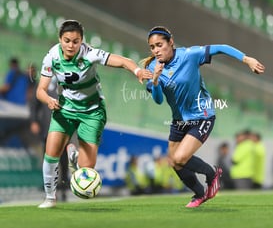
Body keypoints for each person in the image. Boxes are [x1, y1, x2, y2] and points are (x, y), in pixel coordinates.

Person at [143, 26, 265, 208]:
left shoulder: (189, 55)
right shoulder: (152, 67)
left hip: (202, 115)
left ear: (171, 42)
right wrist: (155, 81)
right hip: (179, 120)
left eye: (159, 45)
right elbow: (158, 100)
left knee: (180, 158)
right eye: (152, 47)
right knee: (174, 162)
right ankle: (200, 194)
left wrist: (246, 59)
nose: (156, 50)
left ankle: (212, 174)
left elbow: (221, 47)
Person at [36, 19, 153, 208]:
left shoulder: (90, 54)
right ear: (60, 39)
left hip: (92, 111)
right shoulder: (51, 56)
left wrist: (137, 71)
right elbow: (40, 90)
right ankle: (50, 198)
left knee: (87, 170)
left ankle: (75, 159)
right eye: (67, 40)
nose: (71, 45)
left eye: (76, 41)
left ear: (82, 40)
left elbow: (123, 61)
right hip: (64, 108)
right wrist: (49, 100)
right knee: (51, 153)